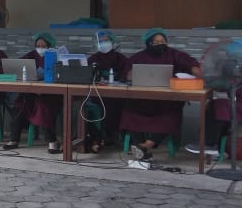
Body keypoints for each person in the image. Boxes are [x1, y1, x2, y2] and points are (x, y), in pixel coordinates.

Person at [120, 28, 202, 160]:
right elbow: (126, 74)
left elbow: (189, 62)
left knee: (170, 116)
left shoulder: (174, 54)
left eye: (163, 41)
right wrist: (129, 75)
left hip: (167, 101)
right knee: (130, 112)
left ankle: (145, 146)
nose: (160, 44)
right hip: (142, 100)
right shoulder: (138, 57)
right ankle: (138, 145)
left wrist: (195, 69)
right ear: (148, 43)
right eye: (156, 42)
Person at [4, 32, 62, 154]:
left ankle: (52, 141)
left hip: (51, 95)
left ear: (50, 46)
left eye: (44, 46)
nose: (40, 49)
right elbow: (18, 66)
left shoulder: (56, 56)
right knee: (19, 104)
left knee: (43, 106)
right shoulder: (31, 55)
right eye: (38, 46)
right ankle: (14, 139)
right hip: (32, 93)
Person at [85, 30, 131, 153]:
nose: (103, 43)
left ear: (112, 42)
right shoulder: (93, 59)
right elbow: (86, 75)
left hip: (117, 96)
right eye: (100, 41)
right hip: (96, 95)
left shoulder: (121, 59)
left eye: (106, 40)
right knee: (91, 108)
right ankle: (96, 137)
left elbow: (127, 75)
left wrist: (122, 78)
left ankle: (111, 136)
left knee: (116, 106)